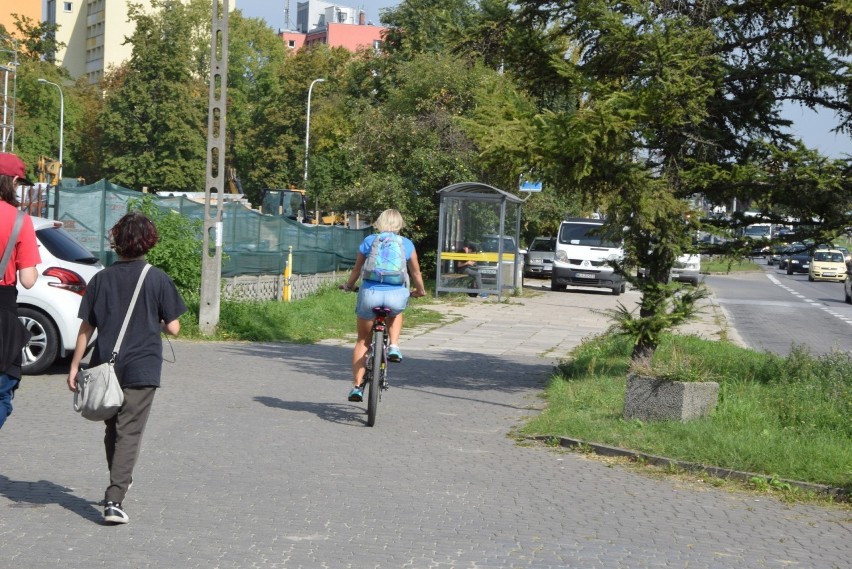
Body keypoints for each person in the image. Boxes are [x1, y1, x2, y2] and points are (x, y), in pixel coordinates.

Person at [67, 212, 186, 525]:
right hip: (142, 367)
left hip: (106, 364)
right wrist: (157, 321)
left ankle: (118, 482)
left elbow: (86, 327)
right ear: (148, 242)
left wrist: (75, 365)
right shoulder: (156, 278)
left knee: (113, 429)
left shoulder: (101, 279)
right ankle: (114, 499)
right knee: (129, 431)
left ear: (116, 241)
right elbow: (174, 328)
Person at [341, 209, 426, 402]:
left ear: (379, 223)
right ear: (400, 224)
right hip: (396, 293)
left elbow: (357, 269)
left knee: (363, 340)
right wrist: (420, 291)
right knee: (396, 311)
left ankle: (356, 386)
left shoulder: (370, 241)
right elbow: (416, 274)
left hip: (370, 294)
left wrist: (348, 286)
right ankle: (394, 346)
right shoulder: (406, 243)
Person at [0, 153, 40, 430]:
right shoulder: (19, 221)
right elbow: (28, 280)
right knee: (2, 390)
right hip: (2, 313)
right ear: (13, 180)